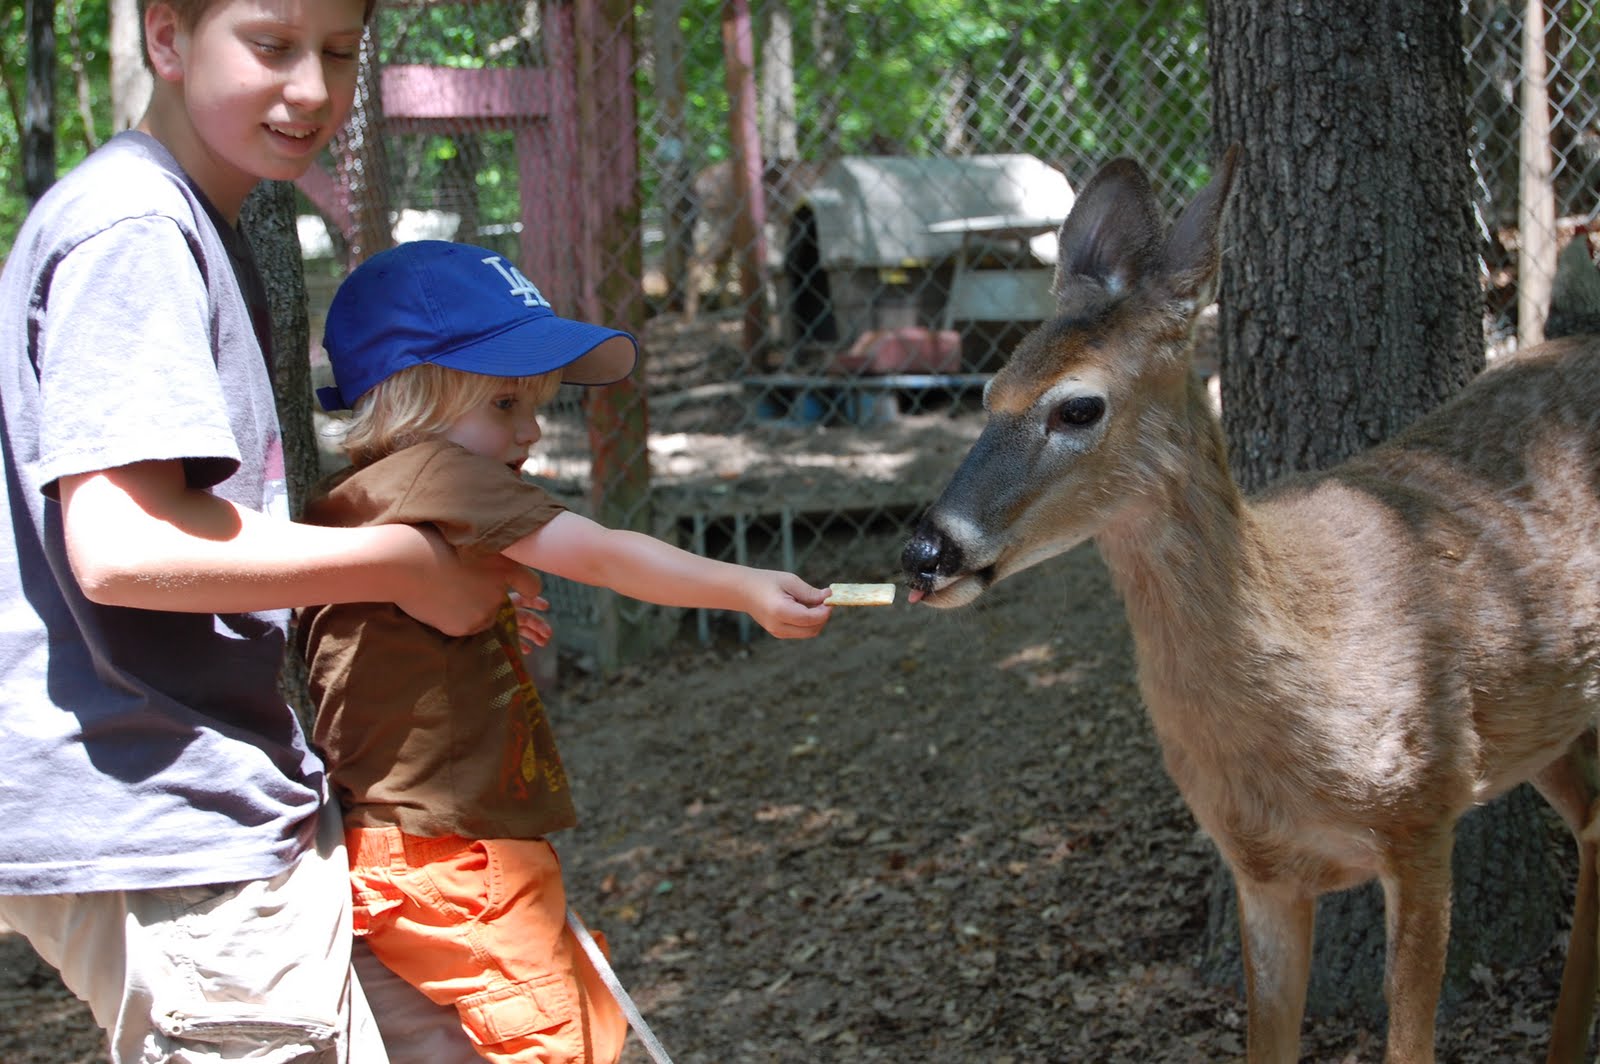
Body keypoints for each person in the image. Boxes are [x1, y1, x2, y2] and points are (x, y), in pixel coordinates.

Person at [0, 3, 546, 1062]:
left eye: (340, 53)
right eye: (272, 44)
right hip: (160, 793)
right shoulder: (137, 227)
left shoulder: (194, 219)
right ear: (167, 37)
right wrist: (402, 566)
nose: (312, 89)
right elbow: (122, 544)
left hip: (206, 785)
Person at [298, 239, 834, 1064]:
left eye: (536, 403)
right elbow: (603, 553)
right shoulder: (442, 471)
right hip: (452, 850)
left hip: (429, 850)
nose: (533, 429)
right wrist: (745, 587)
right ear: (412, 400)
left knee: (570, 1017)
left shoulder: (365, 497)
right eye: (505, 405)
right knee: (553, 1039)